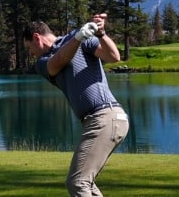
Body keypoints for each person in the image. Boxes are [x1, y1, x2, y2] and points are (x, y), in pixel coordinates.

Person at [25, 13, 127, 197]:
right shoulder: (42, 63)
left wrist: (101, 34)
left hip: (105, 117)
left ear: (36, 37)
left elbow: (114, 57)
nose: (30, 53)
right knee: (85, 183)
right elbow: (58, 61)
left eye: (29, 47)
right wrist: (79, 37)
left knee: (77, 182)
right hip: (98, 121)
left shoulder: (78, 38)